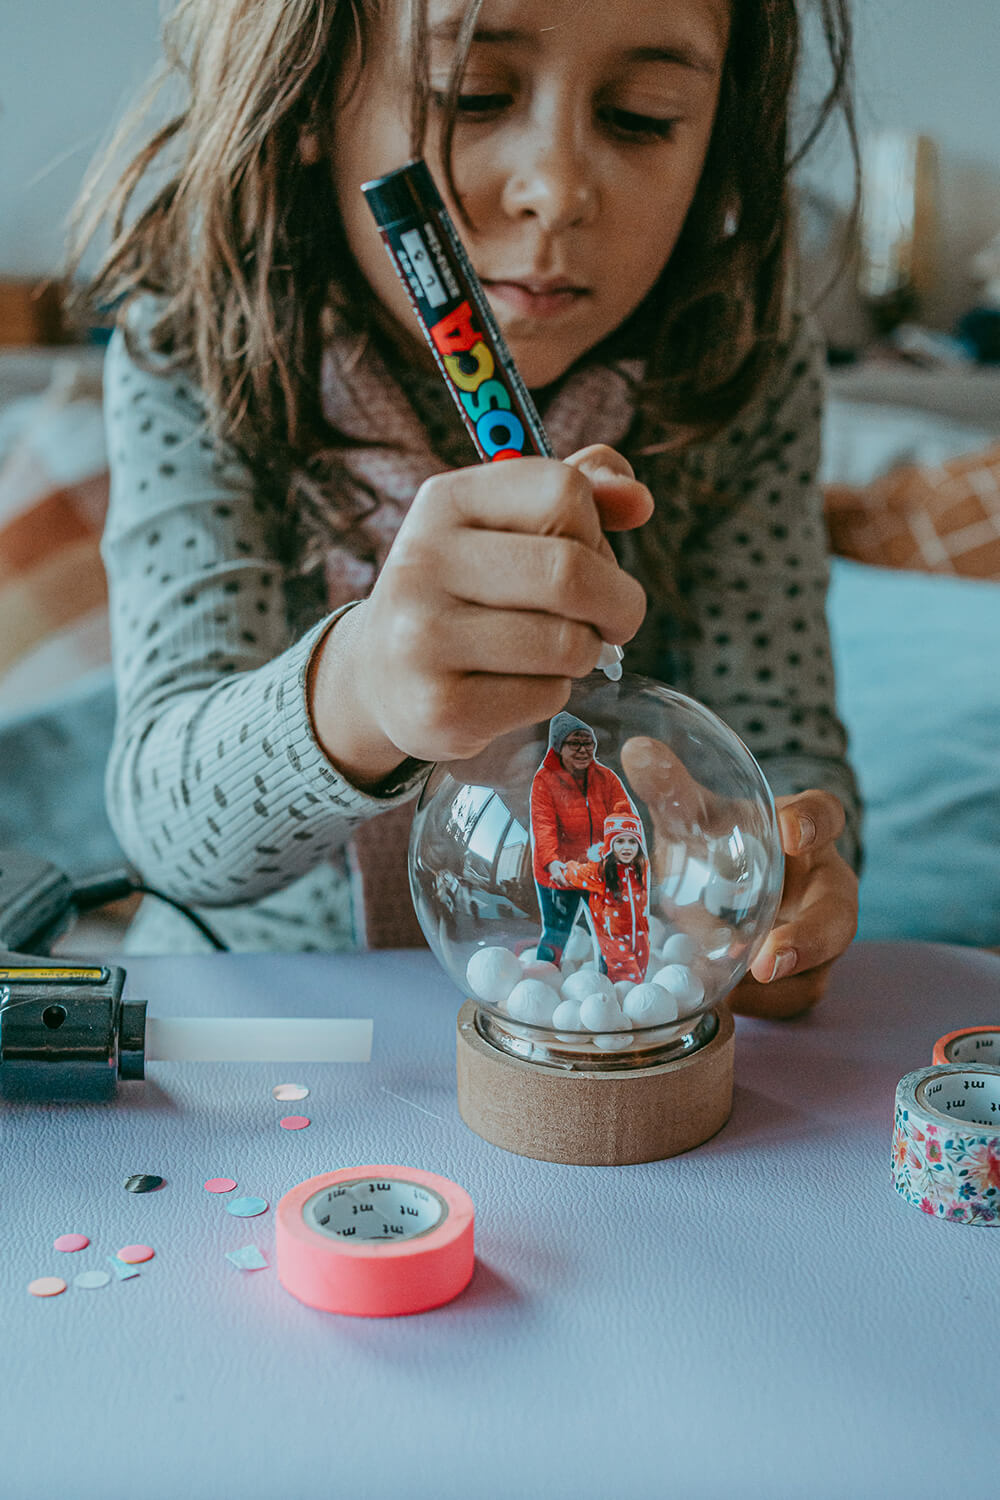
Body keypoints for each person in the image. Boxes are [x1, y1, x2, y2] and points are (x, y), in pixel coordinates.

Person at [68, 0, 861, 1017]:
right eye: (471, 97)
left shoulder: (741, 353)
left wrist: (773, 896)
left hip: (604, 998)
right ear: (307, 96)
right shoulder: (192, 341)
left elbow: (784, 760)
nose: (556, 190)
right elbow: (166, 825)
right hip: (257, 1016)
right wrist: (364, 687)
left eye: (642, 115)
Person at [529, 712, 635, 965]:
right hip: (559, 873)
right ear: (558, 746)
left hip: (598, 870)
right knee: (556, 931)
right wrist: (552, 863)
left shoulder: (606, 778)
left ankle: (611, 981)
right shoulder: (544, 781)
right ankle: (544, 976)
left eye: (588, 743)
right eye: (574, 743)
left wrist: (617, 851)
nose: (583, 749)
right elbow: (543, 826)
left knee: (609, 930)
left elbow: (622, 813)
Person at [554, 810, 651, 984]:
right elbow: (579, 873)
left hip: (639, 937)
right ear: (610, 845)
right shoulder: (602, 871)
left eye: (632, 841)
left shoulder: (640, 869)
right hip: (612, 939)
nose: (627, 847)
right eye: (620, 841)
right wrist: (564, 871)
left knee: (640, 974)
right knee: (624, 980)